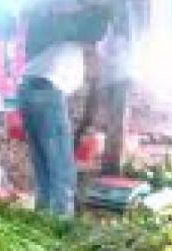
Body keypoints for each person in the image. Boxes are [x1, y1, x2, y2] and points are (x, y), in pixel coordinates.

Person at [19, 3, 108, 216]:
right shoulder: (59, 19)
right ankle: (61, 227)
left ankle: (42, 220)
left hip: (28, 89)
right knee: (61, 170)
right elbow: (97, 28)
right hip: (46, 91)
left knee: (43, 166)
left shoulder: (41, 17)